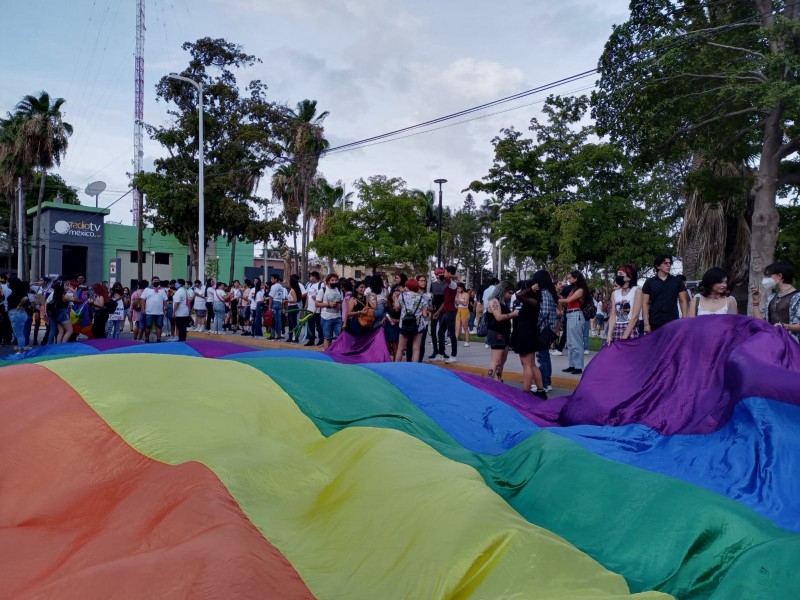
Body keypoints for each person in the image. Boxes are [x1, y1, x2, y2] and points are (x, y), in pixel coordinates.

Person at [512, 280, 547, 399]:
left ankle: (526, 392)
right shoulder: (531, 302)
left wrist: (531, 288)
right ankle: (540, 390)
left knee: (527, 364)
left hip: (526, 334)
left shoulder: (533, 301)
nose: (521, 290)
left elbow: (519, 295)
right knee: (531, 364)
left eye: (524, 288)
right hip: (528, 333)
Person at [751, 260, 799, 343]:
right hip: (772, 343)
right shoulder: (772, 297)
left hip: (792, 345)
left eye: (769, 276)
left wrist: (784, 326)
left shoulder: (797, 297)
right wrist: (755, 302)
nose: (765, 279)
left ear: (779, 276)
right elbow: (762, 322)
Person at [642, 254, 689, 333]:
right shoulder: (649, 282)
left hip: (673, 322)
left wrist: (684, 321)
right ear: (658, 266)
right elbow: (645, 303)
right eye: (665, 263)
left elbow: (683, 301)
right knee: (655, 345)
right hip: (654, 322)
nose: (668, 265)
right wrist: (646, 324)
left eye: (670, 263)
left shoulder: (677, 281)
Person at [557, 271, 590, 375]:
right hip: (571, 314)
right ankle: (572, 365)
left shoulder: (580, 290)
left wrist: (559, 300)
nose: (569, 280)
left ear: (576, 278)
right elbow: (568, 302)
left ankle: (578, 366)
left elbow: (568, 300)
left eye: (570, 278)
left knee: (576, 342)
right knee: (571, 342)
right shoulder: (574, 289)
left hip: (576, 314)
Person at [485, 281, 518, 381]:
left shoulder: (503, 303)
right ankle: (489, 382)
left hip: (504, 333)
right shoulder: (494, 301)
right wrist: (513, 314)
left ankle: (498, 381)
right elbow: (498, 317)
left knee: (502, 361)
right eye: (509, 293)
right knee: (496, 360)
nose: (510, 295)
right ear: (503, 291)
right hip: (496, 333)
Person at [532, 270, 558, 393]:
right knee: (544, 356)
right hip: (548, 329)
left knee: (542, 357)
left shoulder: (544, 294)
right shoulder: (549, 293)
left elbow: (544, 312)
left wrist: (534, 324)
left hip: (544, 330)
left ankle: (545, 383)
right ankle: (545, 382)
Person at [395, 278, 430, 362]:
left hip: (404, 325)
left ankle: (396, 367)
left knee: (400, 348)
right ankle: (415, 368)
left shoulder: (402, 296)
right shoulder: (422, 298)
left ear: (407, 286)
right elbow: (425, 314)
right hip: (418, 326)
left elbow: (397, 308)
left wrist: (395, 298)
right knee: (416, 349)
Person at [606, 265, 643, 344]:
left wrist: (625, 335)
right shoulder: (614, 294)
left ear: (629, 278)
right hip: (616, 328)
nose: (618, 276)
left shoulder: (637, 291)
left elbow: (635, 316)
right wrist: (609, 335)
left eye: (621, 274)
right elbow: (613, 315)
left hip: (631, 328)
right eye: (618, 274)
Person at [434, 265, 459, 364]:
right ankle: (441, 354)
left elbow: (447, 278)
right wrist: (438, 312)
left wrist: (449, 276)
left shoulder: (452, 284)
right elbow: (445, 301)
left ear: (449, 273)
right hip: (446, 311)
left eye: (444, 272)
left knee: (452, 334)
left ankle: (453, 355)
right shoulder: (449, 284)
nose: (443, 274)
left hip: (451, 312)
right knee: (440, 333)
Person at [317, 273, 343, 350]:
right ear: (328, 281)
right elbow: (317, 304)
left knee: (340, 337)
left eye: (336, 280)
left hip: (338, 318)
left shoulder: (339, 290)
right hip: (326, 318)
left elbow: (341, 302)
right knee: (327, 338)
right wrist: (328, 304)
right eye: (332, 280)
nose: (334, 281)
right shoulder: (323, 290)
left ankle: (337, 354)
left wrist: (340, 306)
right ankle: (327, 355)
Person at [141, 276, 167, 342]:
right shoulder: (147, 289)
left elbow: (165, 300)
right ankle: (147, 339)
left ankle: (158, 339)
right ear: (151, 281)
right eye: (155, 280)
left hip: (159, 312)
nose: (156, 281)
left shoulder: (162, 290)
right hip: (149, 312)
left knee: (159, 326)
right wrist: (143, 309)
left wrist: (165, 308)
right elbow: (143, 299)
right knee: (148, 326)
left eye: (157, 280)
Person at [428, 268, 447, 359]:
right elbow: (431, 298)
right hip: (434, 310)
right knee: (433, 331)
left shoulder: (447, 284)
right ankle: (435, 350)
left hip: (443, 311)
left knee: (441, 332)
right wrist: (431, 309)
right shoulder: (433, 285)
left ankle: (442, 351)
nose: (440, 276)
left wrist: (438, 311)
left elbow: (446, 300)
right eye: (439, 274)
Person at [304, 271, 324, 346]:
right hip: (310, 309)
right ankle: (311, 340)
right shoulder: (309, 285)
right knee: (310, 325)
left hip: (318, 310)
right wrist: (305, 307)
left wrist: (317, 299)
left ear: (315, 276)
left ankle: (321, 340)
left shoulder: (321, 285)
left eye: (311, 276)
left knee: (319, 326)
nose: (310, 278)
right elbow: (307, 297)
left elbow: (323, 296)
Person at [267, 274, 286, 340]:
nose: (271, 280)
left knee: (273, 320)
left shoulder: (273, 286)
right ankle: (279, 335)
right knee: (279, 321)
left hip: (274, 303)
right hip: (280, 303)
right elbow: (283, 298)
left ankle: (272, 335)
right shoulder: (281, 287)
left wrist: (269, 307)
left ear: (276, 279)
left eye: (272, 278)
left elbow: (271, 297)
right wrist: (283, 307)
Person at [455, 282, 471, 347]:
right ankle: (454, 341)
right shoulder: (458, 294)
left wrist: (458, 300)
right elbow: (457, 303)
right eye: (457, 288)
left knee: (465, 327)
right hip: (459, 310)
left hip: (465, 310)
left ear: (462, 288)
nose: (457, 289)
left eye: (458, 288)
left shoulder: (466, 294)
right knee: (457, 327)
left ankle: (467, 342)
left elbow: (465, 303)